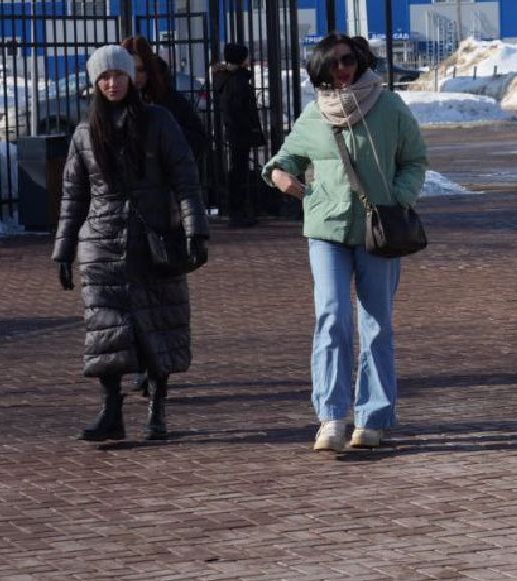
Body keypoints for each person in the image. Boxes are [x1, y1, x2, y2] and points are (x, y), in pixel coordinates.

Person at [262, 32, 427, 452]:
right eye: (333, 62)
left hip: (379, 232)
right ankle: (332, 416)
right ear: (319, 68)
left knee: (376, 325)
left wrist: (397, 200)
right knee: (332, 318)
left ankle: (372, 417)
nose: (342, 68)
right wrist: (283, 177)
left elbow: (415, 159)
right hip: (326, 230)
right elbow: (284, 160)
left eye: (348, 59)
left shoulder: (388, 106)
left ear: (361, 60)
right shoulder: (314, 115)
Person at [52, 45, 210, 442]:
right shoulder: (86, 132)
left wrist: (195, 231)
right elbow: (73, 195)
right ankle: (111, 410)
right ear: (94, 83)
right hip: (101, 244)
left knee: (155, 323)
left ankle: (157, 406)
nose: (111, 83)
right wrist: (64, 250)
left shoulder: (159, 121)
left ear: (130, 78)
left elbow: (185, 180)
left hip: (152, 239)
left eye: (118, 75)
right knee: (105, 329)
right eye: (103, 77)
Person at [122, 36, 209, 164]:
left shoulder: (170, 99)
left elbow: (199, 142)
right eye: (130, 70)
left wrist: (166, 132)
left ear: (149, 69)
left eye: (140, 69)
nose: (135, 76)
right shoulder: (116, 100)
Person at [211, 42, 265, 227]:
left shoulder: (226, 79)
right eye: (246, 57)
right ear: (241, 59)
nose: (249, 60)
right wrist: (251, 127)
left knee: (237, 171)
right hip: (240, 132)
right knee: (239, 173)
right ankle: (237, 212)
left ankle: (238, 211)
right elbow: (239, 109)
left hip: (234, 132)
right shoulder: (237, 81)